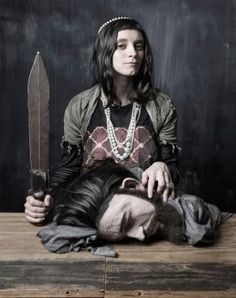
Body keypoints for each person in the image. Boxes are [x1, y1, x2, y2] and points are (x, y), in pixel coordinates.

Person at [25, 16, 180, 224]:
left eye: (139, 46)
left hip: (145, 212)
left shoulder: (161, 105)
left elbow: (173, 170)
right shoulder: (80, 106)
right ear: (105, 52)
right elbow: (69, 169)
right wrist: (46, 198)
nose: (133, 53)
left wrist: (163, 166)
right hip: (90, 212)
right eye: (121, 46)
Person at [37, 158, 229, 255]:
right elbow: (56, 237)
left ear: (132, 185)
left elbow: (200, 230)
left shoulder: (162, 194)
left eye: (128, 221)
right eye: (123, 237)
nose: (140, 235)